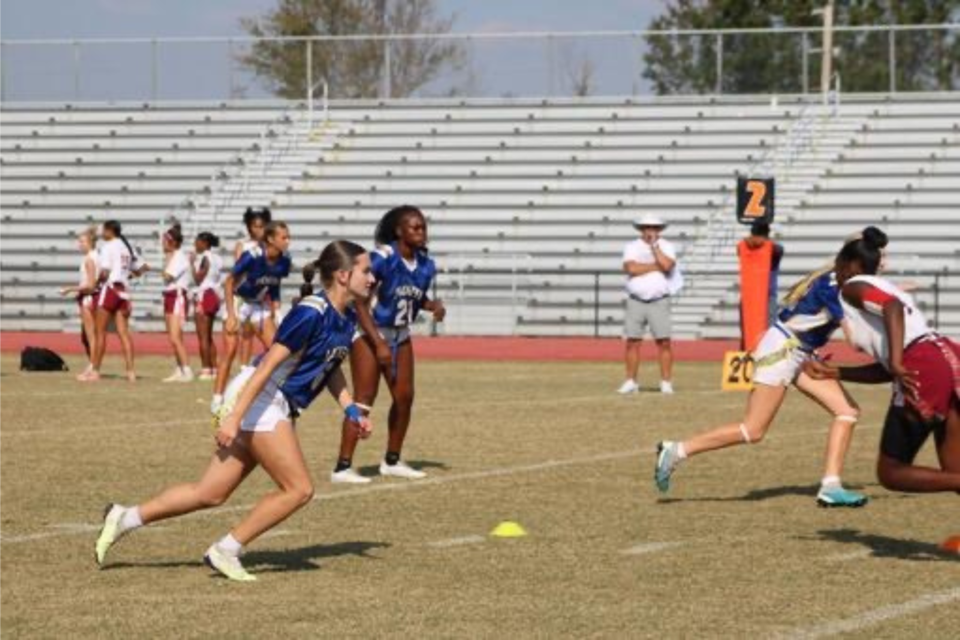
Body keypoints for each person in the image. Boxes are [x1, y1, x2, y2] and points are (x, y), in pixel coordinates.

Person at [95, 240, 376, 582]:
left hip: (268, 402)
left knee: (209, 493)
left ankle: (125, 517)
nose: (372, 278)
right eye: (366, 270)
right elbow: (265, 367)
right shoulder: (311, 312)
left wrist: (350, 410)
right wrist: (233, 416)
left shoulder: (346, 318)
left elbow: (329, 367)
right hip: (261, 398)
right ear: (344, 276)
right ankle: (226, 549)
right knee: (299, 489)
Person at [654, 234, 871, 508]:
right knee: (753, 430)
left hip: (799, 352)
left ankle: (831, 486)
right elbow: (855, 341)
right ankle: (677, 450)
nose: (884, 263)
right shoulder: (837, 289)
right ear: (857, 264)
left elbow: (851, 246)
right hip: (783, 350)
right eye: (880, 259)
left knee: (847, 411)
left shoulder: (836, 273)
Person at [801, 227, 960, 498]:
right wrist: (836, 372)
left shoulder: (852, 286)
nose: (834, 274)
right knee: (954, 471)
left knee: (891, 471)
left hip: (924, 363)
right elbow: (889, 366)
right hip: (946, 356)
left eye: (837, 266)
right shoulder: (883, 286)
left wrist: (898, 362)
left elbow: (892, 309)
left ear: (849, 265)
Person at [330, 205, 445, 484]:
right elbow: (359, 299)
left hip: (401, 333)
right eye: (414, 227)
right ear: (399, 231)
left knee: (404, 397)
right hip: (370, 331)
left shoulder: (426, 265)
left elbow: (412, 298)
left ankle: (392, 460)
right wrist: (378, 342)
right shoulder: (383, 257)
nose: (421, 232)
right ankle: (342, 467)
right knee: (364, 398)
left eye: (423, 227)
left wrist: (433, 306)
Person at [211, 221, 292, 414]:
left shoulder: (285, 260)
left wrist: (276, 310)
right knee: (230, 351)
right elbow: (229, 282)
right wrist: (231, 314)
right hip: (239, 302)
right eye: (284, 237)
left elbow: (274, 285)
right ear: (271, 239)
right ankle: (217, 399)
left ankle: (267, 389)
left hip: (258, 305)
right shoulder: (252, 256)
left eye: (288, 237)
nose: (288, 241)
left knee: (276, 351)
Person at [618, 214, 682, 395]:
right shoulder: (631, 246)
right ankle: (631, 380)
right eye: (646, 227)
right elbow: (631, 268)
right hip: (636, 299)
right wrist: (656, 266)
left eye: (654, 228)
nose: (650, 231)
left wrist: (655, 248)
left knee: (664, 342)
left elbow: (667, 265)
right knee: (632, 341)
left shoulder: (667, 246)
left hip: (658, 299)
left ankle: (666, 381)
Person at [86, 220, 148, 382]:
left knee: (100, 332)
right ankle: (131, 372)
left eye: (103, 231)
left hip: (111, 290)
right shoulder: (126, 247)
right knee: (124, 333)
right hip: (124, 292)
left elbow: (105, 272)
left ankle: (95, 371)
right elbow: (143, 268)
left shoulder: (108, 246)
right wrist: (130, 275)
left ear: (109, 231)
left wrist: (96, 284)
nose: (101, 234)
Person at [60, 227, 100, 379]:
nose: (79, 244)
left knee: (91, 336)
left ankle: (93, 368)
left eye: (82, 241)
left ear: (90, 243)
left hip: (89, 298)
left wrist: (69, 289)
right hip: (93, 297)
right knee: (88, 336)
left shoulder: (89, 259)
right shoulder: (96, 256)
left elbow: (90, 285)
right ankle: (92, 366)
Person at [236, 207, 272, 368]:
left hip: (263, 294)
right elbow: (239, 268)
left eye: (261, 226)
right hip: (245, 294)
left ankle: (265, 364)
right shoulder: (242, 245)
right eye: (255, 226)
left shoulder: (269, 246)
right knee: (245, 333)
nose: (258, 229)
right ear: (249, 226)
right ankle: (244, 368)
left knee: (268, 335)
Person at [160, 223, 195, 383]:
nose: (162, 244)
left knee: (175, 336)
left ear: (172, 242)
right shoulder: (174, 256)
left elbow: (167, 276)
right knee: (173, 336)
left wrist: (166, 260)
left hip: (177, 296)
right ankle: (179, 368)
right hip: (169, 295)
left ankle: (187, 370)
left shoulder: (179, 257)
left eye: (165, 241)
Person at [737, 221, 784, 332]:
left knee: (769, 328)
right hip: (751, 294)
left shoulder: (774, 248)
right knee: (749, 329)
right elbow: (740, 248)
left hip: (766, 294)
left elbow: (777, 250)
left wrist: (762, 242)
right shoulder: (745, 247)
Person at [192, 231, 223, 381]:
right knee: (209, 335)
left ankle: (206, 369)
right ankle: (214, 368)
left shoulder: (205, 257)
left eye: (197, 242)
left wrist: (192, 264)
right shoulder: (217, 257)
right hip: (214, 294)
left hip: (205, 295)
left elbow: (198, 278)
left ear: (204, 243)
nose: (195, 245)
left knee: (202, 336)